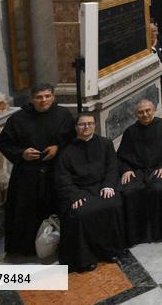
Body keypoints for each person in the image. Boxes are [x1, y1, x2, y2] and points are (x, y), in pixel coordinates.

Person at [0, 83, 75, 256]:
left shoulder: (63, 115)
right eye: (39, 97)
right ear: (31, 99)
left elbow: (72, 139)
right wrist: (21, 153)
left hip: (55, 172)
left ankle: (59, 246)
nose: (43, 100)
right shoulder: (18, 119)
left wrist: (57, 148)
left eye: (47, 96)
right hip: (27, 175)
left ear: (53, 97)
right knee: (26, 213)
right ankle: (28, 249)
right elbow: (4, 142)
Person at [55, 115, 124, 272]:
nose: (86, 127)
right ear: (76, 127)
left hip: (101, 187)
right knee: (80, 212)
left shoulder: (105, 144)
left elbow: (112, 167)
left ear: (95, 125)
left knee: (114, 204)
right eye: (82, 124)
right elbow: (62, 178)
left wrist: (108, 185)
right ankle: (86, 259)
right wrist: (74, 196)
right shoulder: (66, 151)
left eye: (90, 123)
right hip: (79, 190)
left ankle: (110, 251)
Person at [118, 99, 162, 245]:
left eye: (147, 111)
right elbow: (120, 157)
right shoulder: (130, 132)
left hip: (160, 169)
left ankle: (159, 233)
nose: (145, 114)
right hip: (137, 171)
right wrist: (126, 169)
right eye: (140, 112)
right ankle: (135, 236)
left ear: (153, 110)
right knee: (128, 191)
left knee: (158, 189)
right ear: (135, 114)